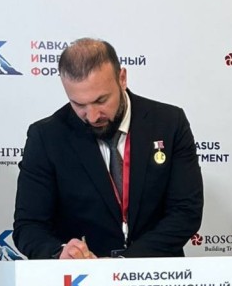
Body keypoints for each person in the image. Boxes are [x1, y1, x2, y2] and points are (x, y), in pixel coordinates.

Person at [13, 38, 203, 259]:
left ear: (122, 79)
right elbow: (29, 226)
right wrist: (60, 254)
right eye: (79, 104)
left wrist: (123, 264)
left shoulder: (169, 123)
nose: (92, 116)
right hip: (81, 276)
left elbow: (185, 212)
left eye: (101, 100)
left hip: (157, 273)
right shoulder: (46, 137)